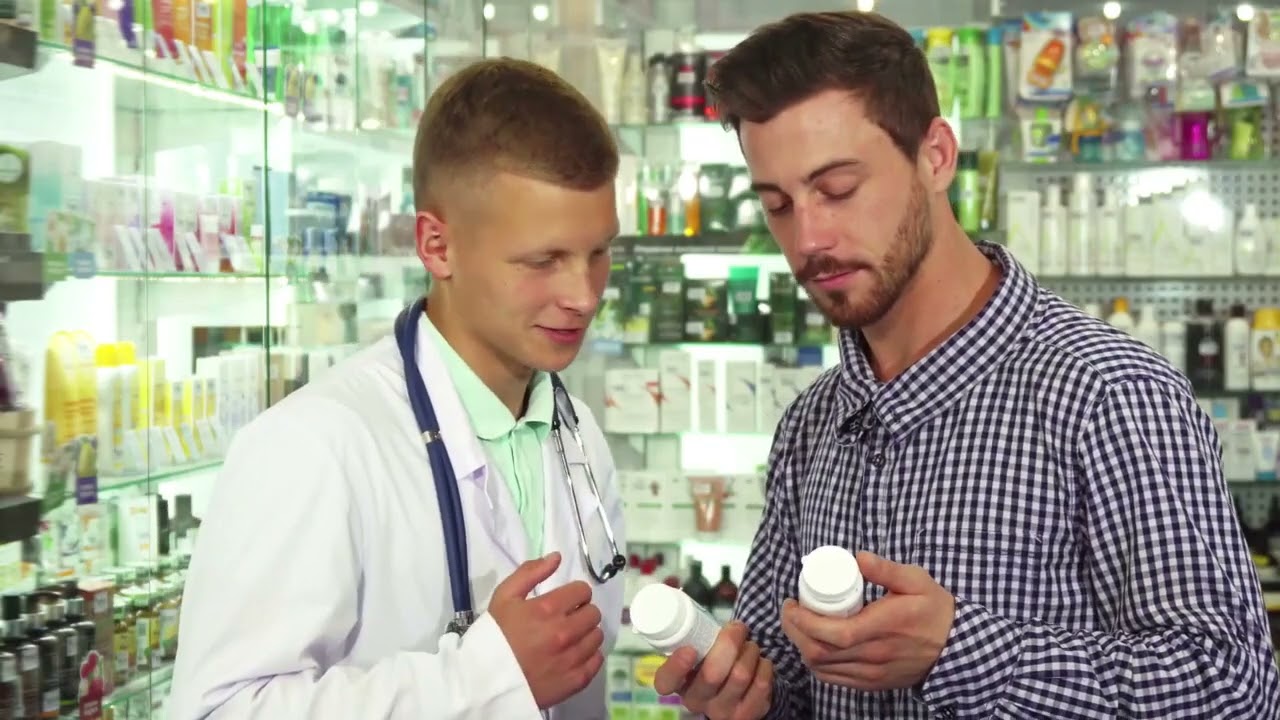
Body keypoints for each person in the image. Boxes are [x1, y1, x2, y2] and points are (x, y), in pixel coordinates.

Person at [653, 11, 1280, 720]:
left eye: (839, 189)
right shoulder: (812, 423)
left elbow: (1232, 688)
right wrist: (744, 696)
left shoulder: (1108, 394)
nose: (809, 239)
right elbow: (786, 681)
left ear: (937, 156)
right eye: (778, 205)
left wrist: (961, 652)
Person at [168, 58, 627, 719]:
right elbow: (219, 710)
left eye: (599, 253)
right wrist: (482, 681)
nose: (583, 295)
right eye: (543, 260)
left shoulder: (576, 435)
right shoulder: (311, 447)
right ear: (437, 246)